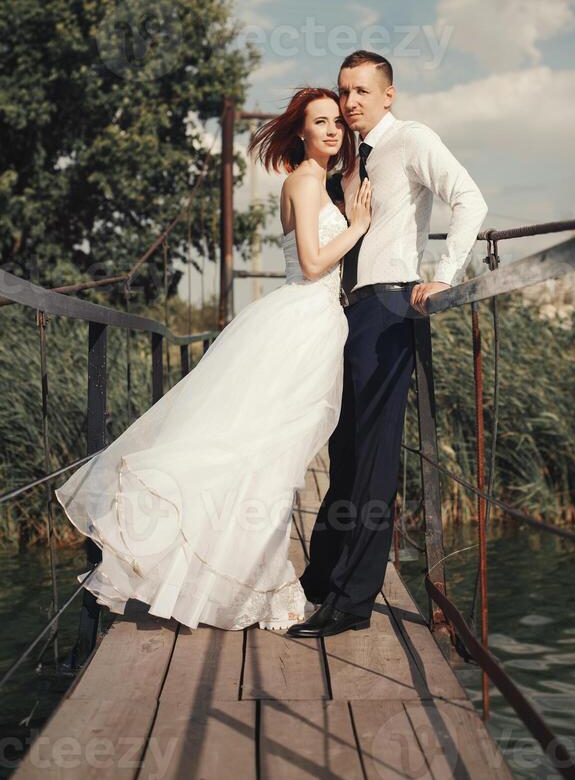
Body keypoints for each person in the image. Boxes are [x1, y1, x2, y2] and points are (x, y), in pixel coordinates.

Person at [54, 87, 372, 632]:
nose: (332, 130)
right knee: (267, 455)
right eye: (320, 122)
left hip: (311, 324)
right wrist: (359, 227)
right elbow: (316, 264)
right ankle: (243, 581)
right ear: (301, 131)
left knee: (270, 454)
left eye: (338, 122)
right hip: (302, 323)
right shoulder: (304, 179)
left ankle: (236, 576)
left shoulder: (321, 182)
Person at [288, 50, 488, 639]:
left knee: (374, 457)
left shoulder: (413, 140)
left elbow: (469, 199)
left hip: (393, 305)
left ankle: (352, 602)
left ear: (388, 95)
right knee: (345, 451)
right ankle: (321, 579)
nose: (349, 102)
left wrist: (446, 273)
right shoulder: (349, 161)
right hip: (349, 313)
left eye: (361, 92)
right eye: (344, 91)